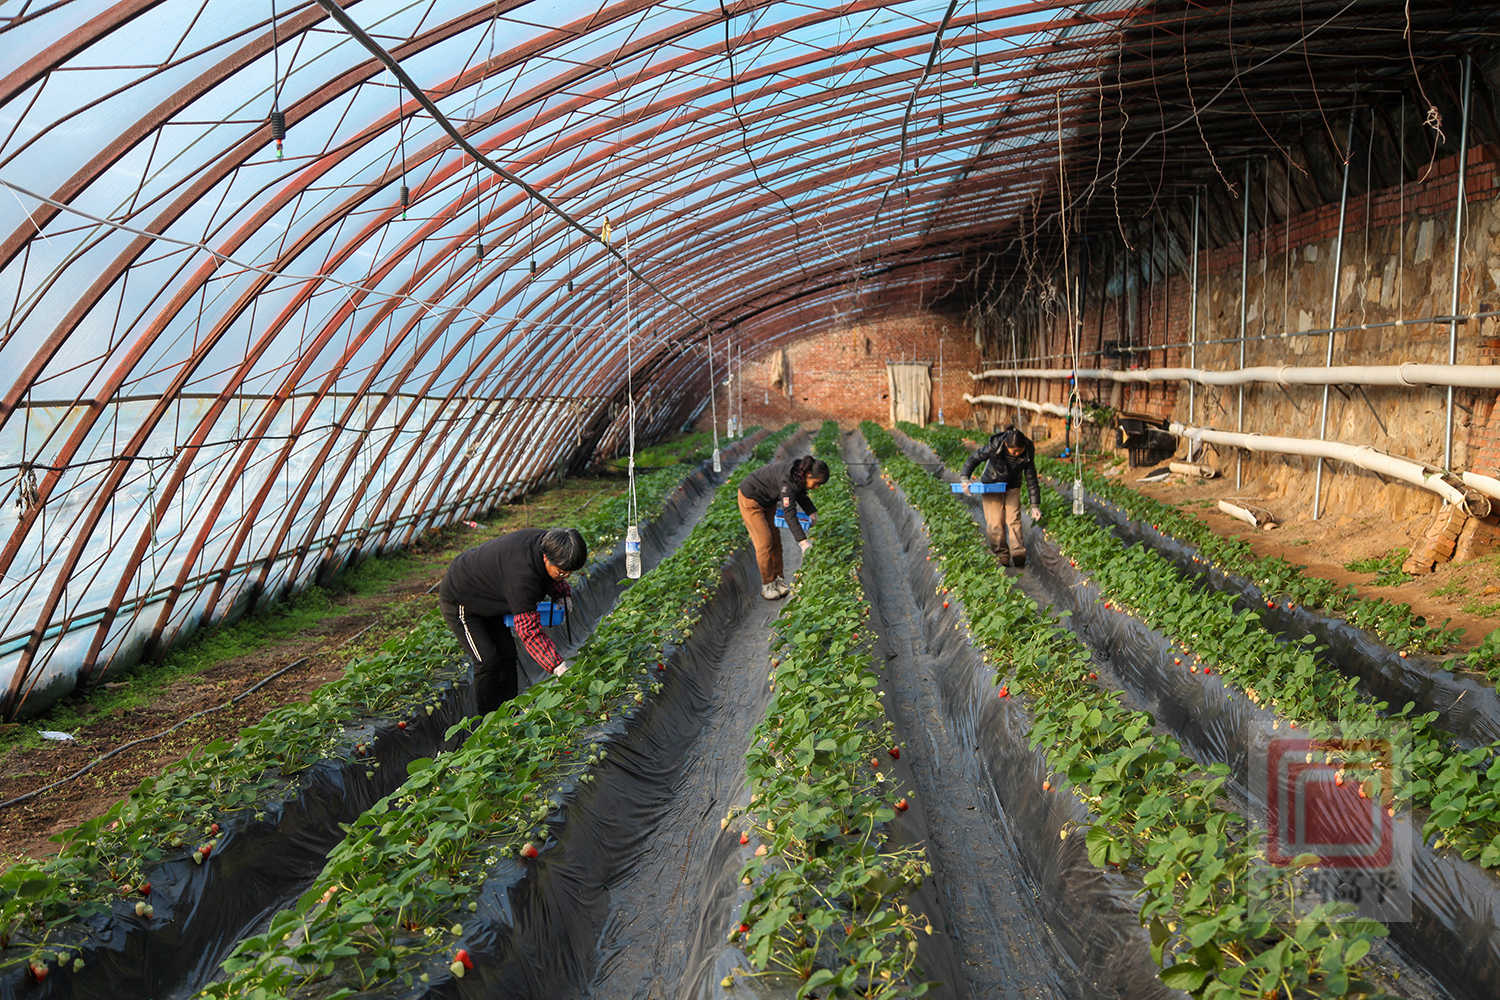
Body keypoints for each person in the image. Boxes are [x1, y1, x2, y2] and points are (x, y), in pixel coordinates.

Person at [438, 527, 586, 714]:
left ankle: (511, 712)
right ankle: (487, 721)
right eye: (563, 573)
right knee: (488, 661)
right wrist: (557, 666)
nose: (566, 577)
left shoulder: (551, 543)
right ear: (546, 558)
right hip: (462, 600)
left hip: (491, 597)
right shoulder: (522, 578)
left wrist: (561, 594)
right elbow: (529, 631)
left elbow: (549, 575)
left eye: (570, 572)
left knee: (508, 655)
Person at [737, 456, 829, 600]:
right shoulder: (787, 482)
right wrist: (802, 542)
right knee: (765, 542)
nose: (817, 487)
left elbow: (800, 494)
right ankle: (767, 584)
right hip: (751, 500)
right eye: (817, 483)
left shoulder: (799, 474)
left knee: (775, 539)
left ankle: (778, 579)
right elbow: (789, 514)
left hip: (768, 501)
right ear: (809, 475)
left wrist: (811, 511)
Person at [960, 427, 1042, 567]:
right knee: (995, 522)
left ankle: (1018, 553)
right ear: (1005, 445)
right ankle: (1001, 555)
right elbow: (975, 458)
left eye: (1019, 451)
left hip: (1013, 485)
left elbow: (1031, 477)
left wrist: (1035, 506)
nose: (1017, 454)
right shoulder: (995, 444)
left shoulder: (1028, 450)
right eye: (1013, 451)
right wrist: (964, 478)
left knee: (1014, 519)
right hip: (992, 484)